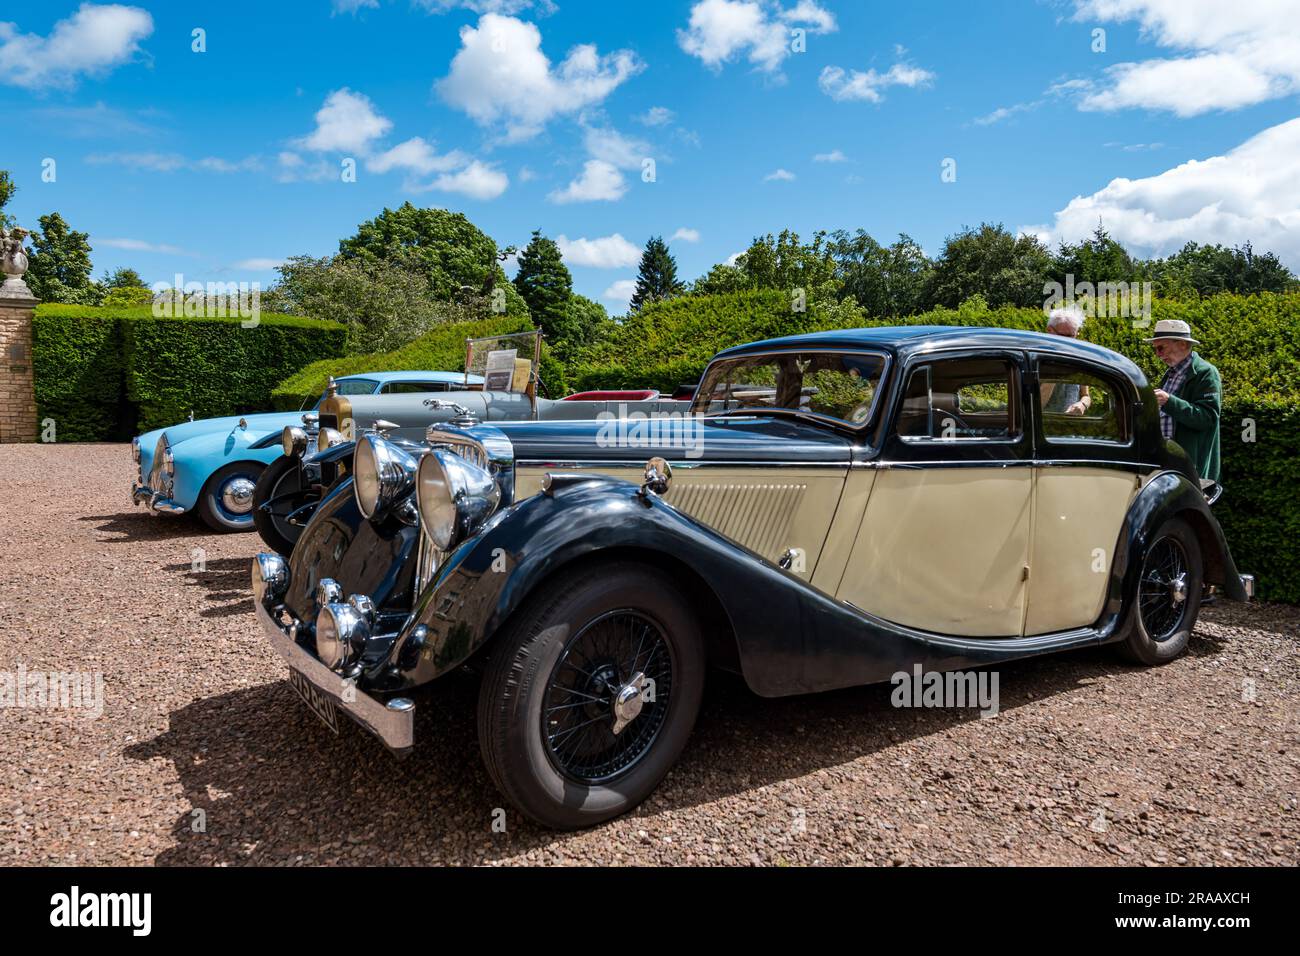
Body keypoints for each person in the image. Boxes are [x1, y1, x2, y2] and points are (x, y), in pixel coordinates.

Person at [1147, 319, 1221, 484]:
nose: (1158, 354)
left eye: (1161, 348)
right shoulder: (1171, 373)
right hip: (1169, 462)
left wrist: (1169, 402)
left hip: (1190, 467)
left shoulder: (1206, 373)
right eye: (1155, 349)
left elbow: (1207, 418)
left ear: (1182, 344)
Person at [1042, 306, 1091, 415]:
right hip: (1043, 423)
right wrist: (1055, 368)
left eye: (1073, 336)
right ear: (1049, 330)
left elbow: (1086, 395)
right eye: (1064, 336)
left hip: (1070, 424)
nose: (1069, 341)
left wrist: (1082, 405)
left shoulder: (1079, 357)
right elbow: (1034, 406)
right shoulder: (1036, 357)